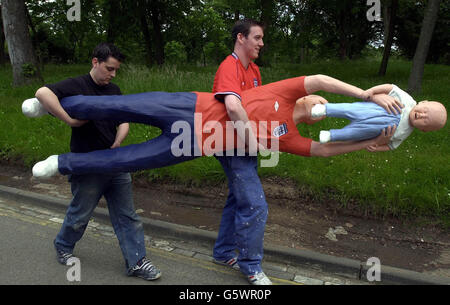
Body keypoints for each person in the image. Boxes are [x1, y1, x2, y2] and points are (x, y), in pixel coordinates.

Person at [26, 74, 401, 175]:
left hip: (190, 145)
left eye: (323, 103)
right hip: (186, 105)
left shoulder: (288, 137)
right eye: (317, 98)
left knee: (125, 161)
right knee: (121, 104)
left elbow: (323, 150)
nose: (320, 101)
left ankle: (62, 163)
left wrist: (365, 143)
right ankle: (51, 104)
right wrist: (366, 95)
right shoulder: (286, 92)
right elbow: (320, 79)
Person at [28, 43, 161, 281]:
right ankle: (63, 245)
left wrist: (118, 141)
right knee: (81, 214)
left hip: (116, 162)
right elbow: (42, 93)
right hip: (87, 164)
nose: (112, 74)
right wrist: (69, 119)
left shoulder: (114, 90)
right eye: (109, 69)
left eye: (116, 70)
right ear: (95, 62)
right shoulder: (77, 85)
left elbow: (124, 120)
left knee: (127, 215)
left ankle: (137, 262)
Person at [211, 19, 270, 285]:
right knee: (255, 204)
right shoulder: (229, 67)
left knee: (237, 198)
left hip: (245, 145)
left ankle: (223, 252)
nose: (261, 43)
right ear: (240, 38)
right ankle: (251, 266)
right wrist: (253, 141)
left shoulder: (255, 70)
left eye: (261, 38)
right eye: (257, 38)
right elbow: (233, 108)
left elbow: (258, 107)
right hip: (231, 146)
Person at [308, 84, 447, 151]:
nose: (421, 115)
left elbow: (391, 146)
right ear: (424, 102)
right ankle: (325, 109)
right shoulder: (407, 100)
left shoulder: (405, 133)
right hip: (368, 110)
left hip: (368, 130)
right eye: (425, 110)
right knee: (348, 109)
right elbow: (390, 88)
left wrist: (378, 147)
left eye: (425, 120)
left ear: (424, 130)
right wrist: (373, 91)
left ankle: (331, 135)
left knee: (352, 133)